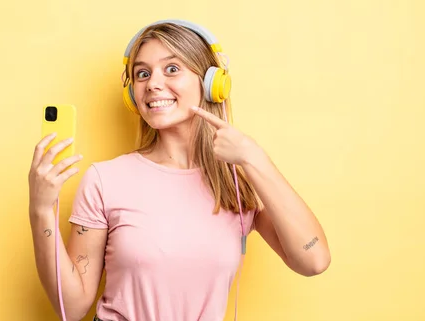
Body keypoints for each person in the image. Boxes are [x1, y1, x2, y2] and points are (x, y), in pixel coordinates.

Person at [28, 19, 331, 321]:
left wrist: (254, 158)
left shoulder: (238, 183)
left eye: (172, 69)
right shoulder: (104, 180)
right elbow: (72, 307)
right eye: (142, 74)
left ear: (212, 83)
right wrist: (41, 211)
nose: (153, 84)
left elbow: (313, 260)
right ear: (133, 95)